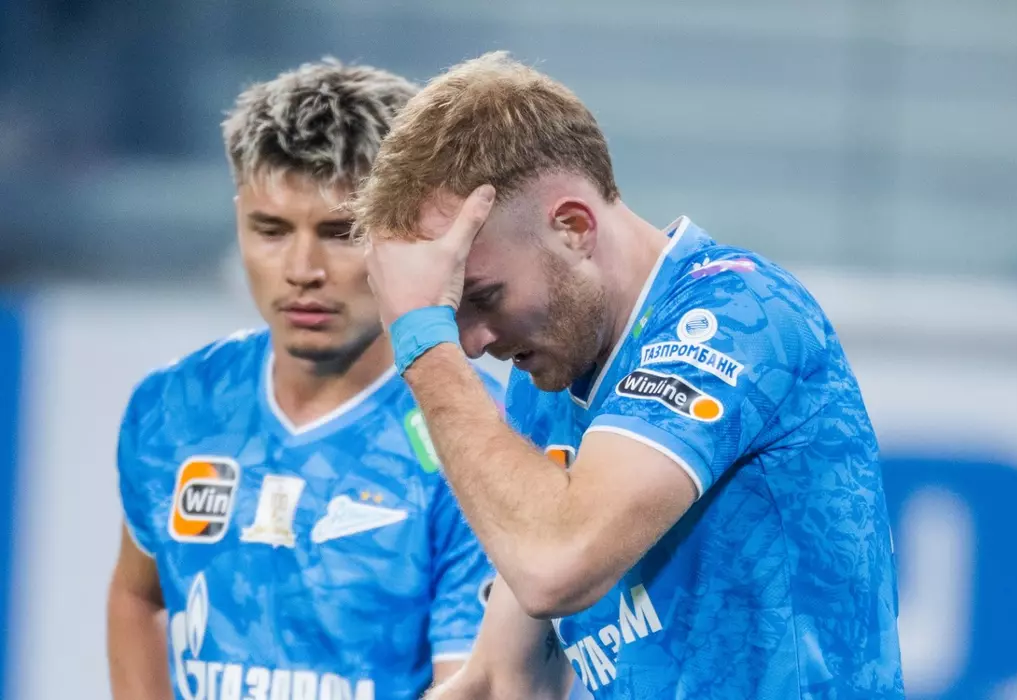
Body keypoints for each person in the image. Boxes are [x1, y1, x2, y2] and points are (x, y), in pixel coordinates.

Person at [353, 52, 905, 699]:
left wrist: (424, 343)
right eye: (452, 316)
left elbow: (556, 564)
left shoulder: (738, 316)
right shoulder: (545, 381)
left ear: (573, 228)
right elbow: (504, 683)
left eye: (484, 297)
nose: (471, 345)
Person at [106, 58, 501, 700]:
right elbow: (137, 596)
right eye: (270, 230)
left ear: (413, 232)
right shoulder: (173, 406)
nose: (301, 269)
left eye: (340, 233)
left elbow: (477, 686)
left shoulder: (478, 441)